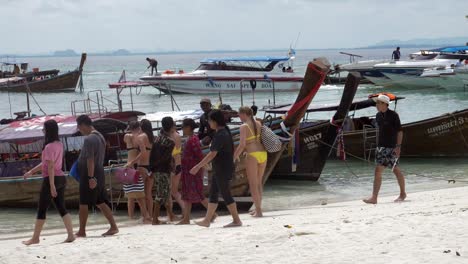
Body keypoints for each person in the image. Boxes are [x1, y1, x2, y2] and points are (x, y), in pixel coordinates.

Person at [22, 120, 74, 245]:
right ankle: (71, 235)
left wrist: (51, 186)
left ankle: (35, 238)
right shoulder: (59, 144)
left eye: (43, 129)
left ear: (48, 130)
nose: (43, 131)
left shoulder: (49, 146)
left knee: (42, 209)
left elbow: (50, 166)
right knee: (61, 207)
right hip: (61, 178)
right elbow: (46, 163)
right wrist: (31, 172)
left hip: (52, 179)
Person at [190, 110, 242, 228]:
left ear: (214, 121)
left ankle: (237, 220)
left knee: (225, 194)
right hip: (220, 168)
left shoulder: (221, 134)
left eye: (209, 120)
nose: (208, 123)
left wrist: (198, 166)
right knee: (213, 193)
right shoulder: (223, 132)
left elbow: (212, 153)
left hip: (222, 168)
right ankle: (207, 220)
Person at [74, 115, 118, 237]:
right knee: (100, 201)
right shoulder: (100, 137)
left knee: (83, 202)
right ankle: (114, 227)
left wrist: (91, 177)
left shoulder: (89, 139)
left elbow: (90, 160)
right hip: (99, 171)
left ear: (83, 125)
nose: (79, 130)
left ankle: (82, 231)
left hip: (90, 172)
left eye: (79, 127)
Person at [363, 95, 406, 204]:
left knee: (393, 170)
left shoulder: (393, 115)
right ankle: (375, 197)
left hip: (391, 147)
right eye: (376, 103)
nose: (376, 105)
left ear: (384, 104)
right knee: (382, 171)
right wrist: (377, 147)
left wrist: (398, 147)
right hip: (381, 147)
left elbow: (400, 131)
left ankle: (401, 194)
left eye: (378, 103)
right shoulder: (378, 116)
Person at [177, 119, 214, 225]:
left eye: (183, 127)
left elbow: (199, 155)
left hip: (193, 170)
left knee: (198, 193)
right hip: (187, 170)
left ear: (188, 127)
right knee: (186, 194)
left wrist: (201, 167)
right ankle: (186, 218)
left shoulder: (193, 139)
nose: (182, 129)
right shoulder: (190, 138)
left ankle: (213, 214)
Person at [233, 107, 267, 217]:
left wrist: (235, 155)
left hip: (252, 155)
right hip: (263, 154)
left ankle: (259, 211)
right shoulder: (258, 123)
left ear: (244, 114)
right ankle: (258, 208)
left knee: (253, 185)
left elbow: (242, 144)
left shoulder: (244, 126)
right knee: (258, 183)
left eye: (239, 114)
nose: (239, 116)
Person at [123, 121, 151, 223]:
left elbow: (125, 138)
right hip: (136, 165)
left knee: (130, 196)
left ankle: (132, 218)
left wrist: (129, 130)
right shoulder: (140, 137)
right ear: (139, 127)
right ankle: (146, 216)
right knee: (139, 195)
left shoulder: (128, 136)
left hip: (129, 166)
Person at [150, 116, 177, 224]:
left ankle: (171, 215)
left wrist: (151, 168)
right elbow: (166, 158)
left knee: (165, 192)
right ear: (171, 126)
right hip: (163, 169)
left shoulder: (157, 138)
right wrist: (172, 166)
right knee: (161, 194)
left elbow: (152, 155)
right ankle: (155, 219)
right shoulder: (170, 141)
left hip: (156, 169)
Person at [168, 119, 185, 213]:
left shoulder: (169, 136)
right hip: (178, 164)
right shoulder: (178, 135)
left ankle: (171, 213)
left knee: (170, 191)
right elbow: (178, 150)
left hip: (172, 165)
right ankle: (184, 209)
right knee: (174, 191)